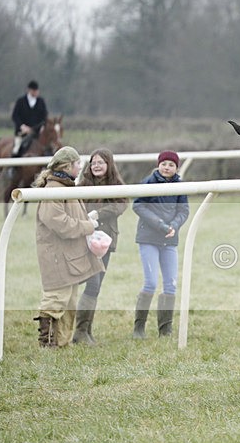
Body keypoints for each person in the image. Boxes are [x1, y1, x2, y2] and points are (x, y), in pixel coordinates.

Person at [34, 146, 105, 348]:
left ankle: (62, 343)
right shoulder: (54, 190)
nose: (81, 167)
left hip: (67, 256)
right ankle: (47, 344)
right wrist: (87, 226)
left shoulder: (64, 187)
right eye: (77, 164)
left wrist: (86, 219)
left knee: (70, 301)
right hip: (56, 256)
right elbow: (59, 223)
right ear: (67, 166)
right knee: (56, 299)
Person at [71, 148, 128, 345]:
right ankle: (79, 332)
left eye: (100, 162)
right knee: (93, 283)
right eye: (93, 162)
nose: (96, 165)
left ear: (108, 165)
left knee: (97, 286)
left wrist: (98, 213)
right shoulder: (82, 184)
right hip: (87, 239)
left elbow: (121, 205)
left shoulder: (116, 185)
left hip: (105, 241)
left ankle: (85, 331)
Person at [132, 150, 189, 338]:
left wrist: (173, 225)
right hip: (149, 238)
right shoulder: (148, 183)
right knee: (150, 283)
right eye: (164, 164)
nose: (167, 167)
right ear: (158, 165)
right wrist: (160, 225)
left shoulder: (180, 186)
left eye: (171, 165)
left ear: (176, 168)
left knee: (171, 285)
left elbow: (184, 210)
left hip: (170, 239)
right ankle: (139, 328)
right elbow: (138, 205)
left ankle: (165, 329)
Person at [11, 80, 48, 157]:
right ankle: (12, 167)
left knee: (47, 148)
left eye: (37, 90)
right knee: (16, 149)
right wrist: (22, 126)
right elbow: (15, 116)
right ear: (29, 90)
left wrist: (38, 128)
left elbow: (44, 117)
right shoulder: (21, 101)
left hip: (37, 133)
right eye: (34, 90)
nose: (36, 92)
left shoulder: (41, 101)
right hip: (22, 133)